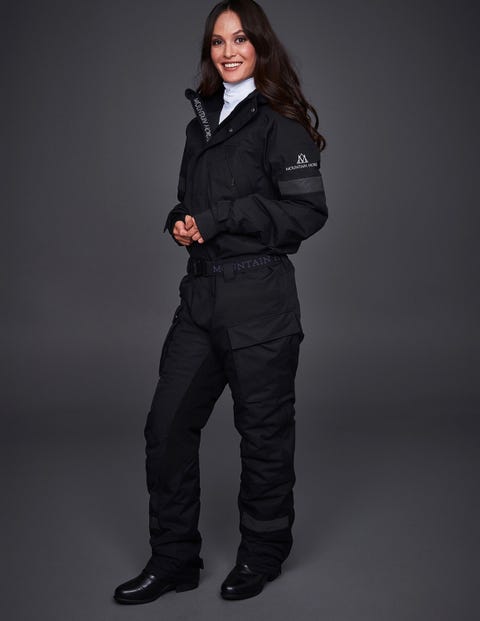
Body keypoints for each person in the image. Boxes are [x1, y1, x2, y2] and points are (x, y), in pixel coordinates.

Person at [114, 0, 328, 604]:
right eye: (217, 42)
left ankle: (262, 555)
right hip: (202, 297)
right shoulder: (202, 120)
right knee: (166, 427)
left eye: (239, 40)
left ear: (260, 45)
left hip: (260, 299)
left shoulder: (281, 121)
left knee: (263, 436)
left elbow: (307, 212)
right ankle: (174, 560)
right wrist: (182, 221)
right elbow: (192, 199)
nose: (228, 52)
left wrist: (220, 218)